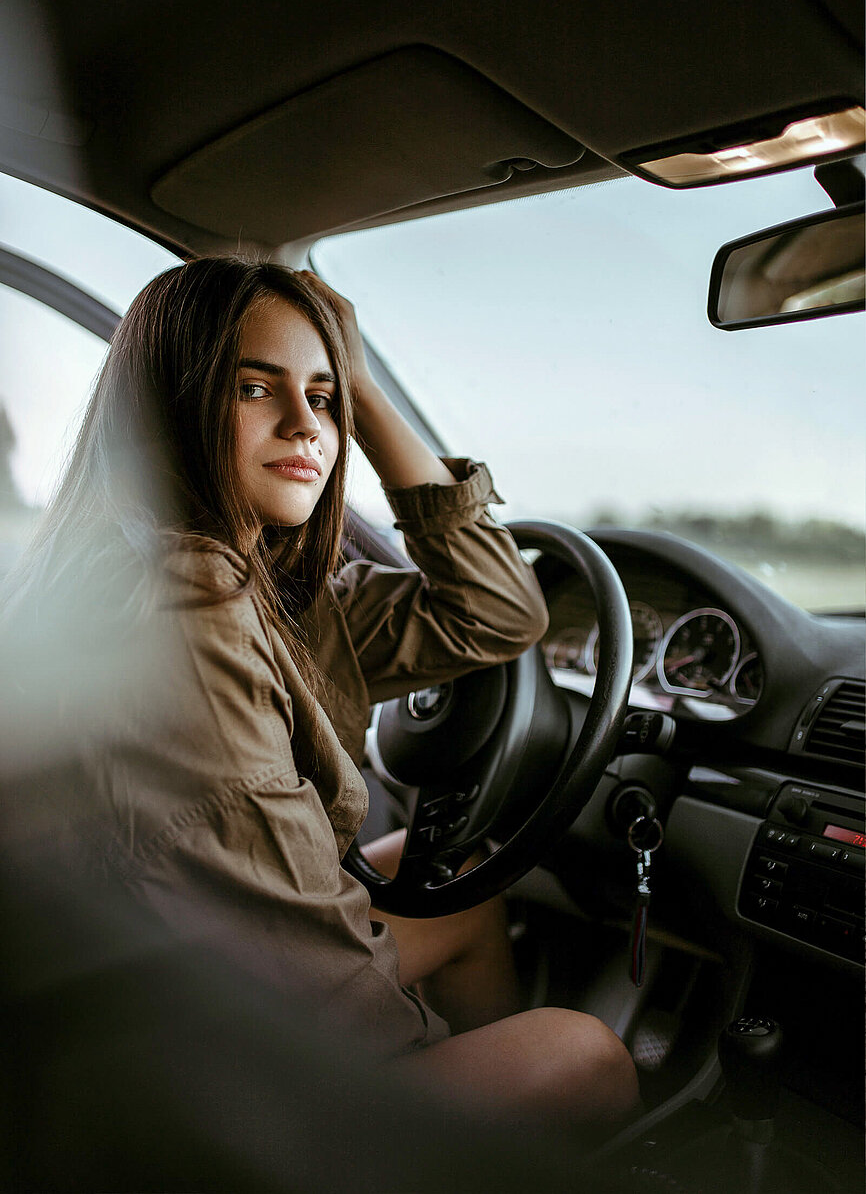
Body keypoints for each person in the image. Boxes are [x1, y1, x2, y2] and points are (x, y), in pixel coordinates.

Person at [1, 257, 638, 1136]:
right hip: (197, 1045)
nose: (307, 425)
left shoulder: (267, 586)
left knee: (451, 877)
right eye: (257, 389)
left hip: (170, 980)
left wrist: (362, 383)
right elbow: (295, 941)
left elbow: (498, 610)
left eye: (324, 397)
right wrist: (420, 1059)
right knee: (587, 1054)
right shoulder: (191, 594)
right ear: (169, 408)